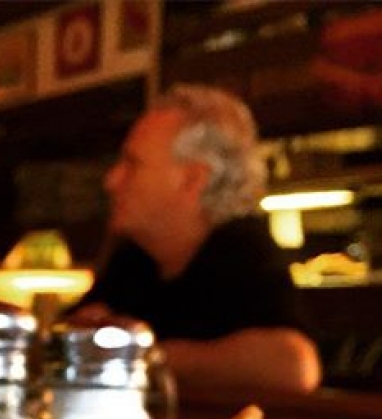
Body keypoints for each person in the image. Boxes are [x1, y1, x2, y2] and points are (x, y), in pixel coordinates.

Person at [69, 83, 322, 396]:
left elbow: (295, 366)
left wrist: (148, 356)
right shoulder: (135, 257)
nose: (111, 180)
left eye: (132, 164)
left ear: (192, 179)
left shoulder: (242, 250)